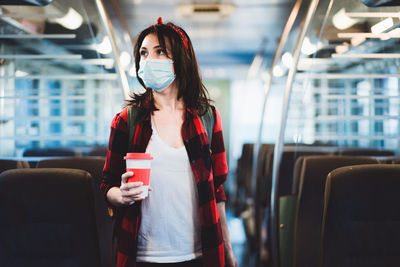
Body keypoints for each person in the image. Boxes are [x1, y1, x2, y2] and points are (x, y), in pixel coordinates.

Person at [101, 17, 237, 267]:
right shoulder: (126, 120)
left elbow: (217, 191)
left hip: (199, 253)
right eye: (143, 53)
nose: (148, 60)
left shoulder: (207, 118)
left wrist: (228, 249)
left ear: (180, 61)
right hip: (141, 255)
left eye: (159, 51)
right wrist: (120, 195)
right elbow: (107, 185)